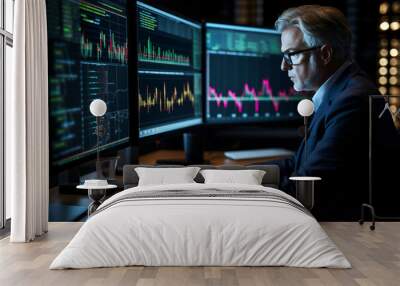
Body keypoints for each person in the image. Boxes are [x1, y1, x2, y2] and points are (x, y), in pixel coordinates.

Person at [271, 5, 398, 220]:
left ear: (325, 54)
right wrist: (243, 176)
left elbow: (308, 186)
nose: (284, 66)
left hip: (355, 234)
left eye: (291, 55)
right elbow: (297, 163)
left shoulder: (352, 101)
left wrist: (249, 193)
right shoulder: (341, 91)